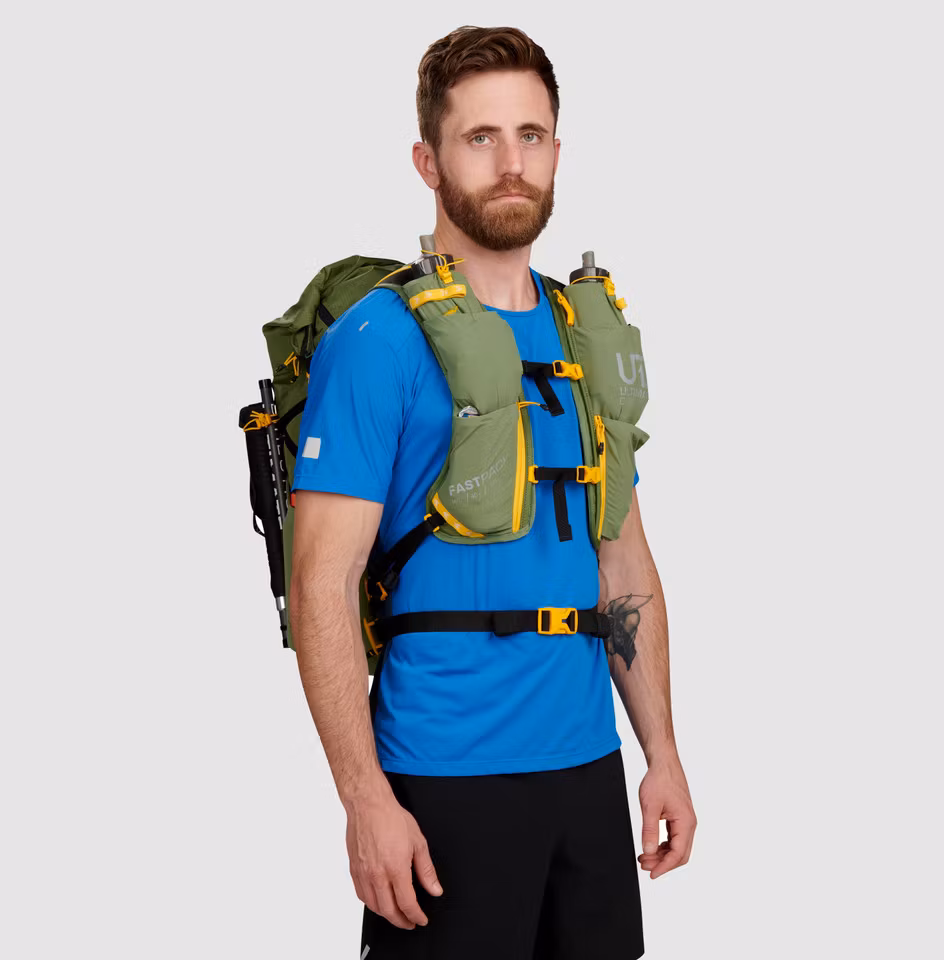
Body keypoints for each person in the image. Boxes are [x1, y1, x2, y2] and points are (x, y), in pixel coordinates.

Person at [288, 25, 696, 959]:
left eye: (530, 135)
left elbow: (623, 561)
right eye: (481, 138)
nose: (512, 163)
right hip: (443, 778)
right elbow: (320, 584)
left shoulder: (585, 334)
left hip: (588, 771)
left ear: (556, 149)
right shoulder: (378, 341)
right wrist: (365, 800)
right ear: (428, 162)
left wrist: (662, 754)